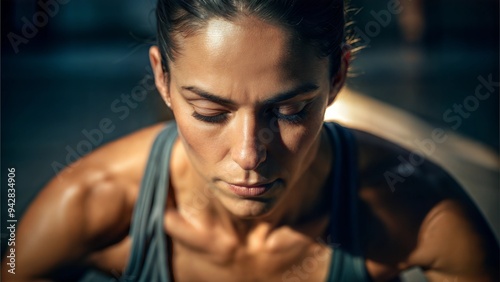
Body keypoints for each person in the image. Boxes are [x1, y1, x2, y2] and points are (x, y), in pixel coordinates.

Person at [2, 0, 498, 281]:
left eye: (290, 110)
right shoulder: (87, 204)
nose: (249, 155)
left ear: (338, 78)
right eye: (210, 113)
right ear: (162, 79)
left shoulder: (424, 213)